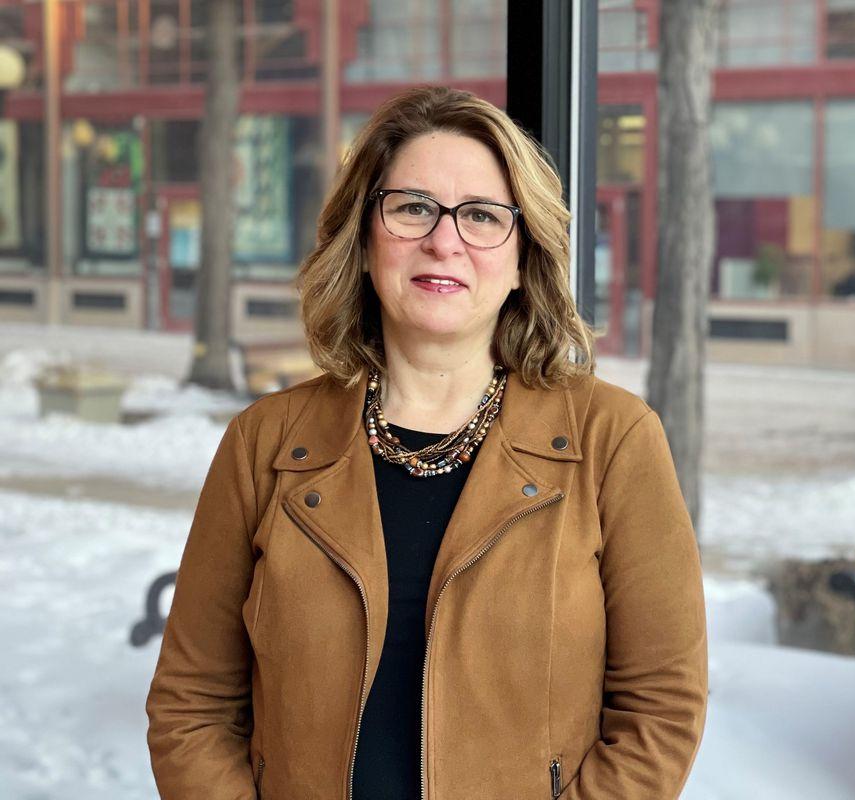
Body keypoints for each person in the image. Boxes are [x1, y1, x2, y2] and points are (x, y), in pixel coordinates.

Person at [146, 85, 708, 800]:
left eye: (481, 215)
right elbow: (190, 705)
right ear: (364, 238)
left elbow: (661, 710)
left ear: (523, 256)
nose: (444, 240)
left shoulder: (613, 440)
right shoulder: (265, 442)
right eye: (413, 207)